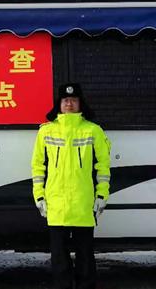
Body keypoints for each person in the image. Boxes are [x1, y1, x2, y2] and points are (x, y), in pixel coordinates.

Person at [31, 83, 112, 289]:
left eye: (74, 100)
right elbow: (37, 167)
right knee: (59, 257)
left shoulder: (93, 131)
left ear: (80, 103)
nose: (69, 103)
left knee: (85, 255)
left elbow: (103, 166)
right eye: (65, 100)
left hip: (83, 202)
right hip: (55, 202)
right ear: (59, 104)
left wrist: (102, 196)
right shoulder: (46, 131)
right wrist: (39, 196)